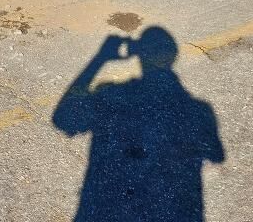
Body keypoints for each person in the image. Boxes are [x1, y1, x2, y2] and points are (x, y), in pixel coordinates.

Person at [53, 27, 225, 222]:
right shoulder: (200, 111)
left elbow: (63, 118)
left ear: (138, 54)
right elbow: (216, 155)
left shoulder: (112, 95)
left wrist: (100, 58)